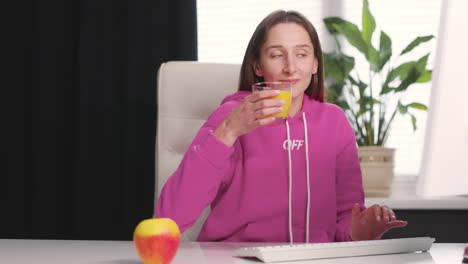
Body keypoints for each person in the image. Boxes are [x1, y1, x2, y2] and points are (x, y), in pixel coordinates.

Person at [156, 10, 407, 243]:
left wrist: (360, 230)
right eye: (277, 55)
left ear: (315, 64)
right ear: (257, 66)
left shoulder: (335, 122)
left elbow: (343, 226)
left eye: (301, 54)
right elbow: (170, 219)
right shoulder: (230, 116)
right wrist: (228, 131)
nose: (290, 68)